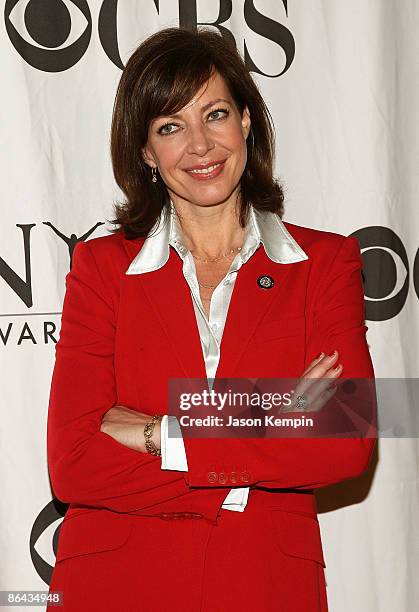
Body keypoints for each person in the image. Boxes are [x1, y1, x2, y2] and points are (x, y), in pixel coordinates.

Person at [46, 26, 376, 612]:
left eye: (215, 114)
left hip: (263, 583)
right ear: (146, 153)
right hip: (116, 585)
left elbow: (347, 443)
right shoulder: (101, 269)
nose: (200, 145)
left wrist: (160, 432)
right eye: (170, 127)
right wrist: (275, 418)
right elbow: (73, 464)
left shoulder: (326, 263)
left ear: (246, 120)